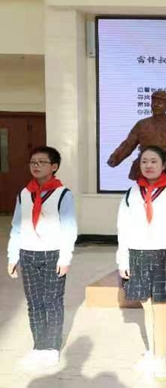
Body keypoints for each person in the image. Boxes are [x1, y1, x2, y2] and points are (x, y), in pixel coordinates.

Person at [116, 145, 166, 381]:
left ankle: (161, 358)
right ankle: (152, 352)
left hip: (164, 256)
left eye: (153, 161)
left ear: (164, 165)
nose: (148, 166)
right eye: (144, 161)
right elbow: (123, 228)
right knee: (147, 307)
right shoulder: (131, 194)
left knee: (162, 309)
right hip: (138, 255)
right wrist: (123, 258)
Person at [6, 146, 77, 369]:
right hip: (28, 254)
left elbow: (69, 228)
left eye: (41, 162)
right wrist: (13, 256)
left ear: (54, 167)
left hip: (53, 254)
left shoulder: (62, 194)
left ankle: (52, 348)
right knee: (34, 302)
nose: (36, 166)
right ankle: (39, 346)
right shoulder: (24, 194)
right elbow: (17, 226)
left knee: (52, 301)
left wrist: (65, 258)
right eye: (33, 162)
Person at [107, 90, 166, 185]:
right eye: (154, 102)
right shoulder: (142, 125)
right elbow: (128, 144)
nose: (156, 105)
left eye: (160, 103)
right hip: (144, 171)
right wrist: (115, 158)